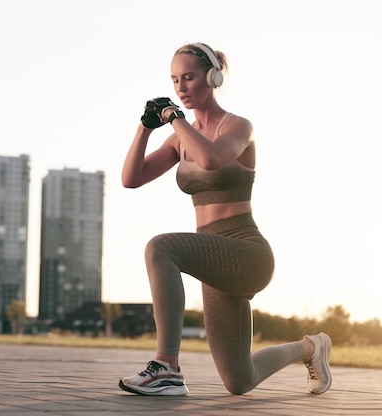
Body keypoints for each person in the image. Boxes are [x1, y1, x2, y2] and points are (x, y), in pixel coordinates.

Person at [118, 42, 332, 396]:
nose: (181, 88)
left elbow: (212, 159)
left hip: (246, 253)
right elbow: (131, 178)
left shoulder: (239, 127)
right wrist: (145, 127)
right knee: (239, 380)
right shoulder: (178, 139)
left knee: (161, 248)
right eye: (174, 80)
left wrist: (174, 118)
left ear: (213, 77)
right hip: (214, 259)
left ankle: (166, 368)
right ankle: (311, 348)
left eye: (189, 77)